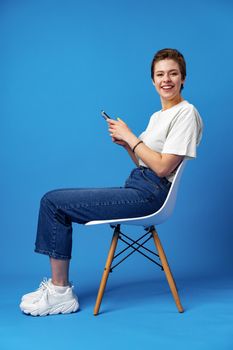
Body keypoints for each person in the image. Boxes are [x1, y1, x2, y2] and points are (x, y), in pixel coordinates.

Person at [20, 48, 203, 316]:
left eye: (173, 74)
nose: (166, 79)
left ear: (183, 78)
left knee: (53, 202)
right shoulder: (157, 116)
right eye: (160, 74)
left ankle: (60, 292)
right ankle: (58, 289)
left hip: (151, 196)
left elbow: (163, 168)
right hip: (139, 187)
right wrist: (126, 145)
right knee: (53, 200)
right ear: (152, 81)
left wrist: (131, 137)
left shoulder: (186, 113)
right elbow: (145, 162)